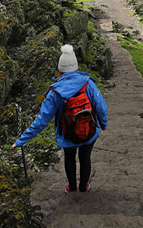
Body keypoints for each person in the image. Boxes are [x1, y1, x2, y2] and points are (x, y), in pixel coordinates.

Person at [12, 44, 108, 193]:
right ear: (76, 66)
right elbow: (101, 107)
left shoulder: (55, 92)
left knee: (69, 158)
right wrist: (103, 124)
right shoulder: (88, 84)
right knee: (85, 157)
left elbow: (41, 121)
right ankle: (84, 187)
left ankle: (72, 188)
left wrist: (21, 140)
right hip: (89, 130)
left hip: (67, 133)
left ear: (60, 69)